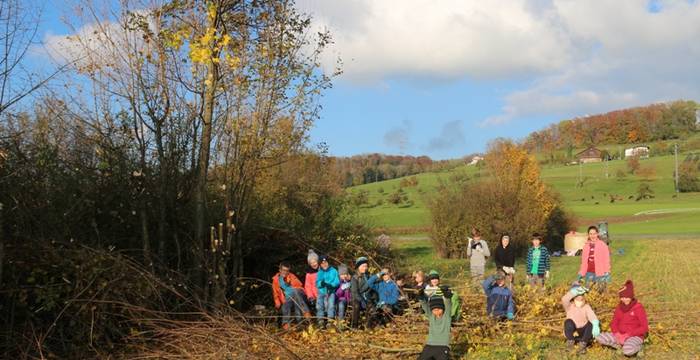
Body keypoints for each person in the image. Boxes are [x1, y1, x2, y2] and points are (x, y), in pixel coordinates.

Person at [596, 280, 649, 357]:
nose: (624, 299)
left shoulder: (638, 308)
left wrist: (628, 334)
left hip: (634, 336)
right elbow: (614, 322)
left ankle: (639, 347)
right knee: (599, 337)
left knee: (627, 351)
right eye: (622, 297)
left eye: (627, 297)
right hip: (619, 334)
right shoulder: (619, 307)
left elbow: (644, 327)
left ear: (631, 296)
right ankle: (619, 346)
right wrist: (617, 333)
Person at [561, 283, 600, 355]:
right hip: (572, 332)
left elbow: (592, 316)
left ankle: (583, 344)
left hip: (582, 332)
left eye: (582, 299)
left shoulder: (586, 307)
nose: (580, 301)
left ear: (584, 299)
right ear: (573, 299)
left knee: (590, 324)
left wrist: (595, 324)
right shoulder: (569, 306)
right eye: (577, 299)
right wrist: (574, 292)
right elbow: (564, 299)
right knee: (568, 322)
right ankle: (570, 342)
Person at [272, 262, 312, 330]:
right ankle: (286, 323)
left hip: (299, 293)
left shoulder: (291, 276)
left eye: (287, 271)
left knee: (295, 293)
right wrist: (277, 302)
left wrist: (290, 281)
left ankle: (305, 312)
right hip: (288, 297)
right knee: (285, 303)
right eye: (284, 270)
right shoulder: (276, 280)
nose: (285, 272)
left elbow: (299, 285)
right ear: (280, 270)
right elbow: (275, 293)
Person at [417, 289, 453, 360]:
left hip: (443, 346)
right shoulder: (431, 316)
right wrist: (421, 296)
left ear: (443, 308)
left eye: (439, 309)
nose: (436, 311)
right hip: (430, 345)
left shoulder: (447, 317)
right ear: (432, 310)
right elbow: (425, 305)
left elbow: (448, 305)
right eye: (434, 310)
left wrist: (447, 296)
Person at [578, 225, 611, 292]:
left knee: (601, 292)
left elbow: (606, 260)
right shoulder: (586, 246)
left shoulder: (602, 245)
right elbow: (584, 262)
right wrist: (581, 273)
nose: (593, 236)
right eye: (591, 234)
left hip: (600, 273)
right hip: (589, 272)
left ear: (597, 234)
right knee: (588, 291)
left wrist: (607, 272)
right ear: (588, 235)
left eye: (594, 234)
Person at [350, 256, 375, 328]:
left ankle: (368, 326)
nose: (365, 268)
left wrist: (373, 297)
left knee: (371, 306)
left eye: (366, 266)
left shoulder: (368, 276)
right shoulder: (354, 278)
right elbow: (354, 292)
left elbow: (371, 288)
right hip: (356, 298)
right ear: (358, 267)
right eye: (363, 266)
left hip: (366, 297)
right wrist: (362, 300)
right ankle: (354, 326)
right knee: (356, 306)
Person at [315, 254, 339, 327]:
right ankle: (320, 319)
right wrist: (321, 283)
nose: (324, 264)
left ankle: (330, 319)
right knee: (319, 304)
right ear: (320, 265)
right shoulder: (320, 272)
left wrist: (332, 285)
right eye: (322, 263)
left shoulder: (334, 270)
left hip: (331, 291)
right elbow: (317, 283)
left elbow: (337, 281)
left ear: (328, 262)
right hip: (322, 291)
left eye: (325, 262)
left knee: (331, 304)